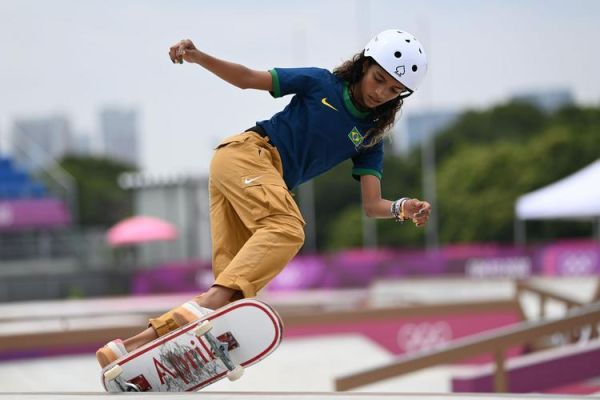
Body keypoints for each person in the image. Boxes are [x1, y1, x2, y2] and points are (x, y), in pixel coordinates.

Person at [96, 29, 432, 367]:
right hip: (247, 156)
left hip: (255, 184)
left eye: (393, 91)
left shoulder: (371, 136)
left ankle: (129, 350)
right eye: (378, 79)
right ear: (363, 65)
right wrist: (199, 57)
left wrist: (402, 207)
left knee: (230, 295)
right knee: (287, 228)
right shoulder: (321, 83)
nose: (381, 93)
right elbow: (246, 78)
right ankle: (207, 306)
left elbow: (373, 206)